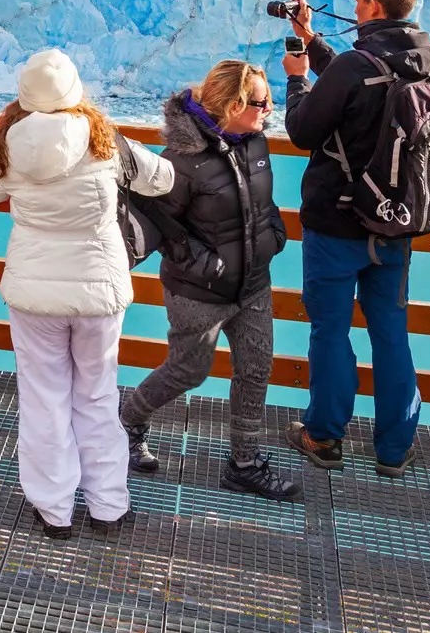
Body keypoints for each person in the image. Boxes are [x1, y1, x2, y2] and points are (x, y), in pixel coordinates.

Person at [0, 49, 172, 539]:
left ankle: (55, 508)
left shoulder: (8, 148)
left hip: (34, 294)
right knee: (98, 396)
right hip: (98, 291)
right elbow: (162, 180)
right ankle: (108, 506)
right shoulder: (107, 142)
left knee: (44, 399)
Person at [280, 0, 430, 476]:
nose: (352, 8)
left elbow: (304, 129)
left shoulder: (355, 66)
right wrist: (314, 38)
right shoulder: (427, 63)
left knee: (330, 331)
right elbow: (363, 82)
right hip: (395, 223)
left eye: (356, 0)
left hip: (337, 226)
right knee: (391, 331)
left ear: (373, 6)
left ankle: (325, 437)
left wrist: (298, 80)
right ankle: (394, 449)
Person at [119, 61, 299, 501]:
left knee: (255, 370)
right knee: (188, 370)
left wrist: (273, 236)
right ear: (233, 105)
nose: (268, 110)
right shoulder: (181, 159)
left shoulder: (254, 141)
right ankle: (126, 421)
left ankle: (245, 464)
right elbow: (159, 222)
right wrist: (208, 266)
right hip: (198, 291)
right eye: (260, 102)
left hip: (253, 282)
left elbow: (262, 202)